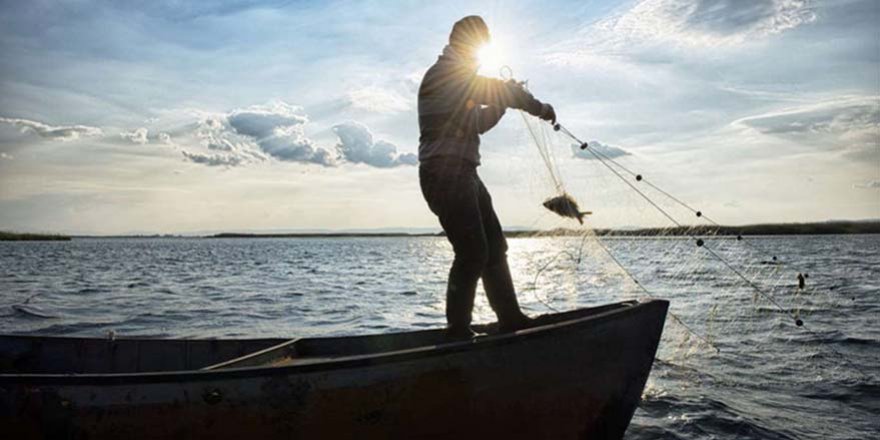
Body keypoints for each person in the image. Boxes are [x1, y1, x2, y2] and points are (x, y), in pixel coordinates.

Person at [417, 15, 557, 338]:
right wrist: (541, 108)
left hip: (464, 172)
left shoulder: (459, 78)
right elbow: (497, 91)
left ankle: (510, 319)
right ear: (465, 45)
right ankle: (457, 331)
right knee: (472, 252)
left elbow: (477, 122)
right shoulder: (444, 76)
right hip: (444, 173)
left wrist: (505, 102)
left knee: (494, 246)